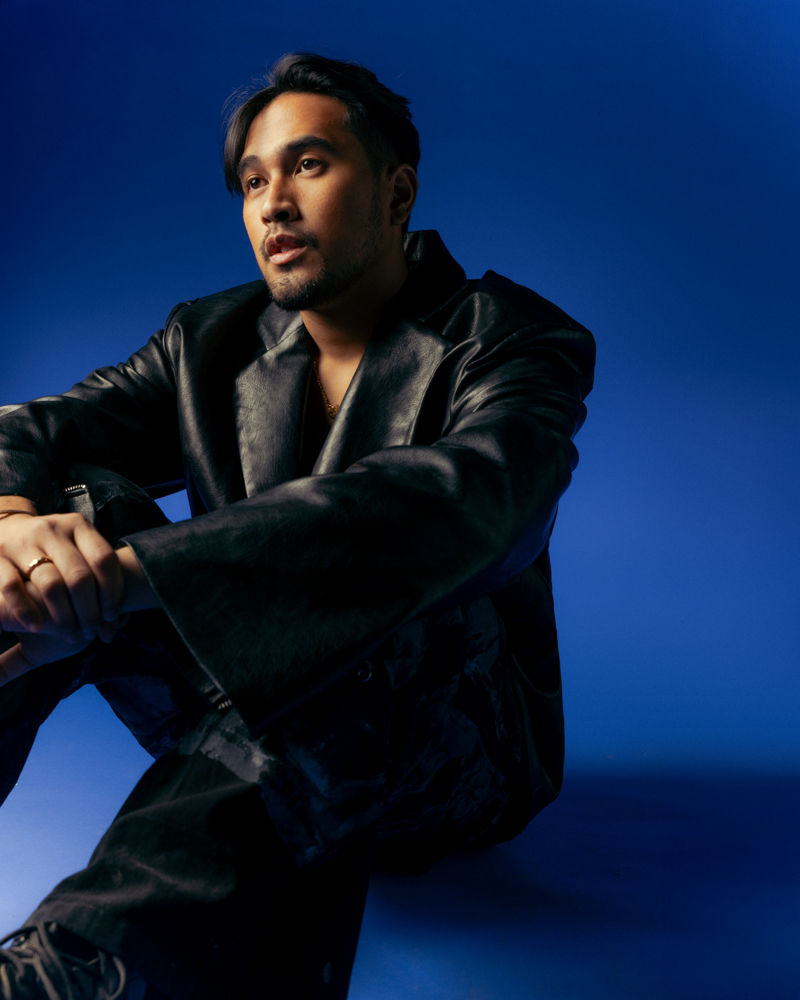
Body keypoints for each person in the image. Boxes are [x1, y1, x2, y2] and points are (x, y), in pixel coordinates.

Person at [0, 53, 595, 1000]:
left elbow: (472, 501)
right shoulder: (209, 341)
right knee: (63, 515)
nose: (273, 203)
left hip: (451, 753)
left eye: (308, 165)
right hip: (245, 729)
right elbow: (29, 433)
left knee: (353, 609)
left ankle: (75, 976)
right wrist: (13, 530)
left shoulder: (510, 337)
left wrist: (129, 574)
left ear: (397, 193)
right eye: (252, 181)